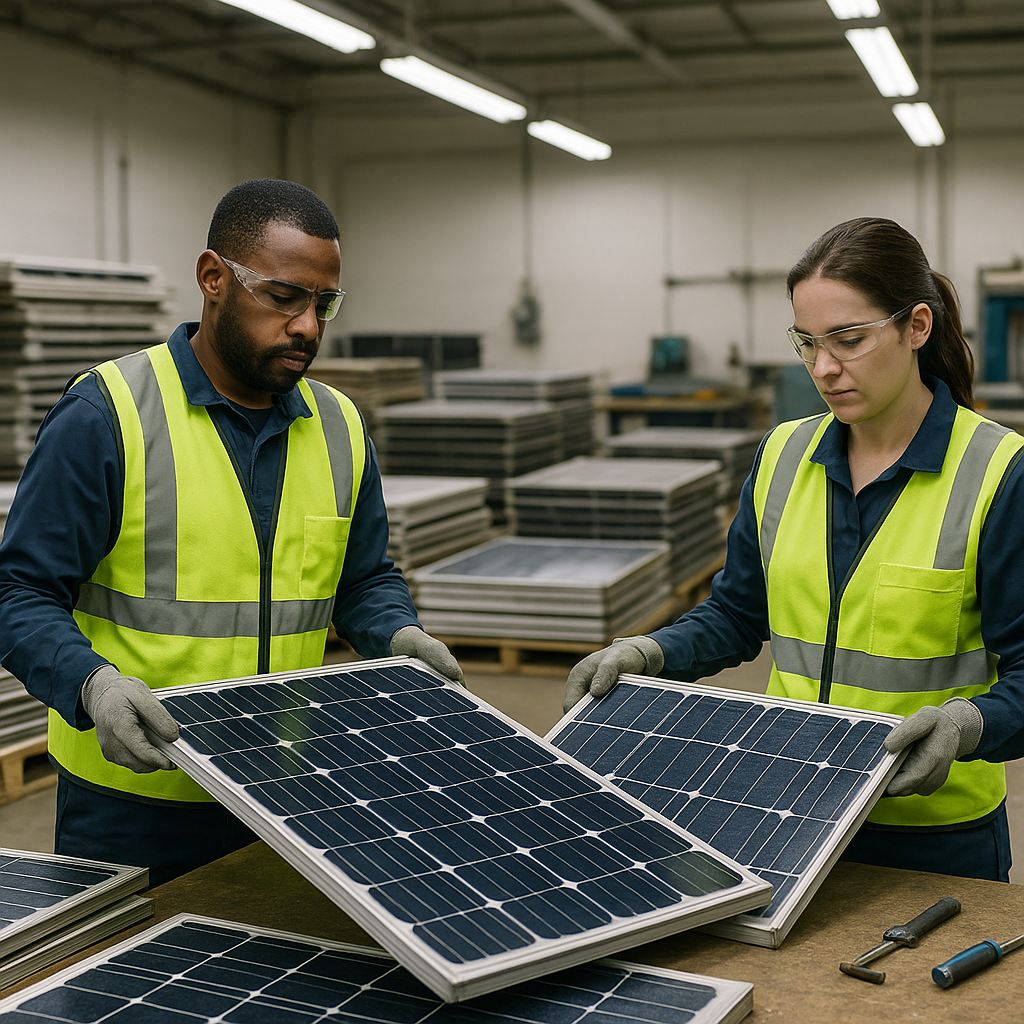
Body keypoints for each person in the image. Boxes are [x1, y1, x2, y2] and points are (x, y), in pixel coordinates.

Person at [0, 178, 463, 885]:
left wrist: (398, 635)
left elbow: (362, 579)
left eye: (324, 304)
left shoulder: (339, 426)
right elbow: (19, 591)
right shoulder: (108, 415)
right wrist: (92, 685)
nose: (307, 326)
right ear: (213, 278)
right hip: (134, 801)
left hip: (285, 797)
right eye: (283, 297)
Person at [565, 216, 1024, 882]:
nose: (824, 367)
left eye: (848, 339)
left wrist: (966, 724)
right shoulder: (784, 455)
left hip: (931, 837)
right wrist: (649, 651)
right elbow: (737, 615)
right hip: (790, 814)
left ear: (916, 327)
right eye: (807, 343)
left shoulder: (997, 474)